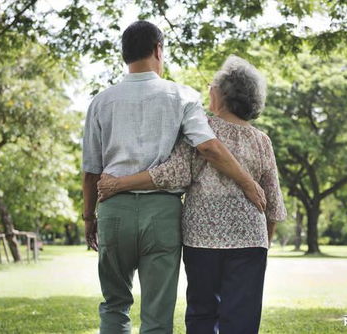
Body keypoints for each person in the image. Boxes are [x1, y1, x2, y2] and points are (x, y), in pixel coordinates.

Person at [81, 21, 266, 334]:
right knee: (157, 315)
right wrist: (249, 183)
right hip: (162, 214)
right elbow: (208, 147)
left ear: (125, 55)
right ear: (158, 50)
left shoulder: (101, 101)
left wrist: (89, 218)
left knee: (114, 305)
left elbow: (91, 171)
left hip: (113, 210)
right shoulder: (182, 96)